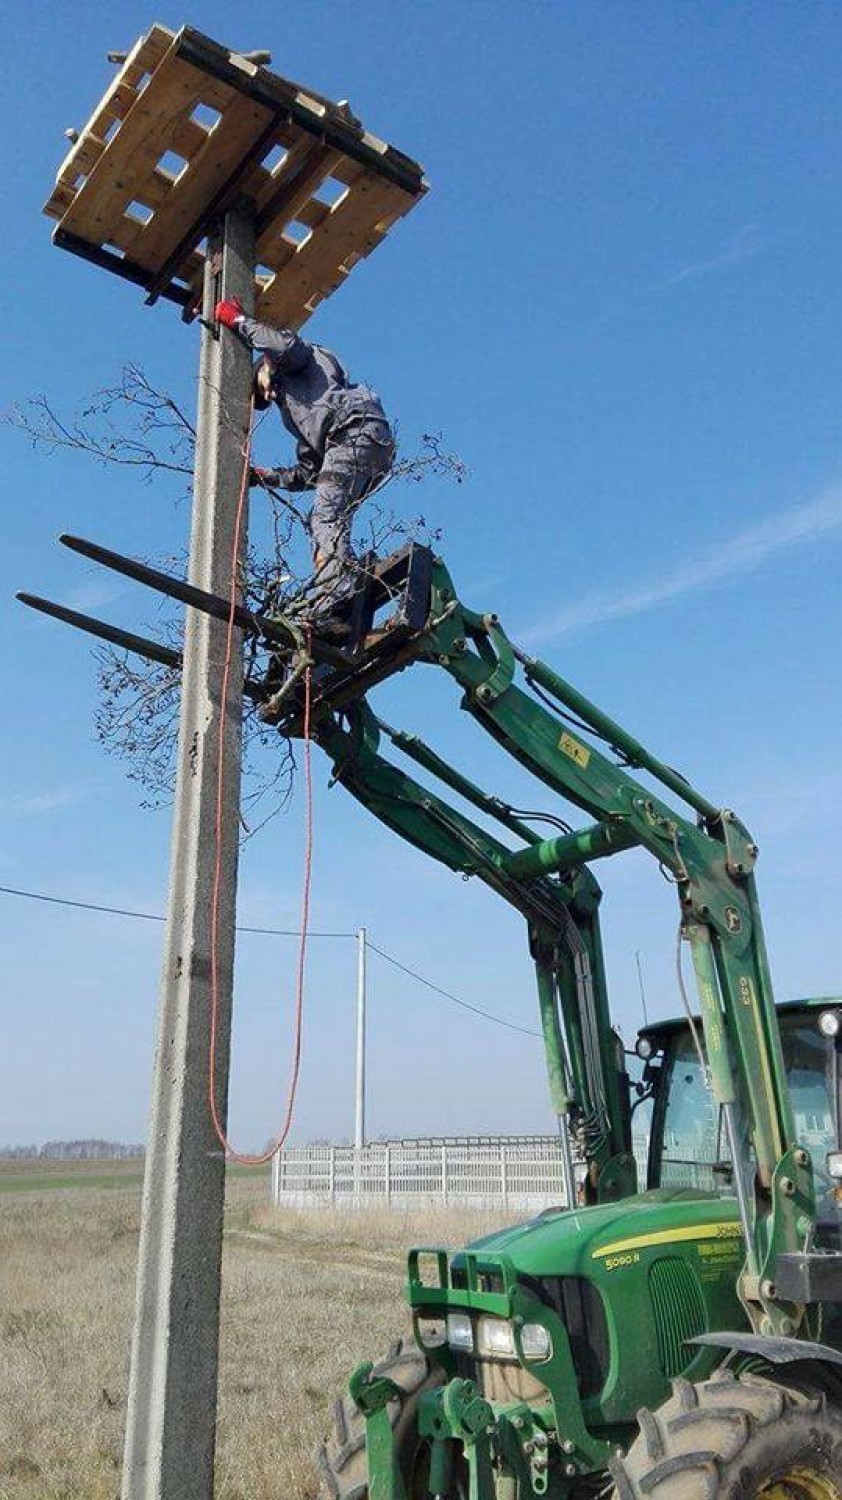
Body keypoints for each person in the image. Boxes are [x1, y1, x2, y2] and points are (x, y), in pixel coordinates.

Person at [214, 297, 395, 639]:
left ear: (262, 368)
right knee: (328, 517)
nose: (266, 397)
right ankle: (345, 590)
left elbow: (284, 344)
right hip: (361, 443)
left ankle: (336, 600)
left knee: (325, 518)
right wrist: (267, 477)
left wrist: (237, 320)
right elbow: (311, 471)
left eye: (260, 391)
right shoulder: (297, 412)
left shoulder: (296, 358)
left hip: (353, 431)